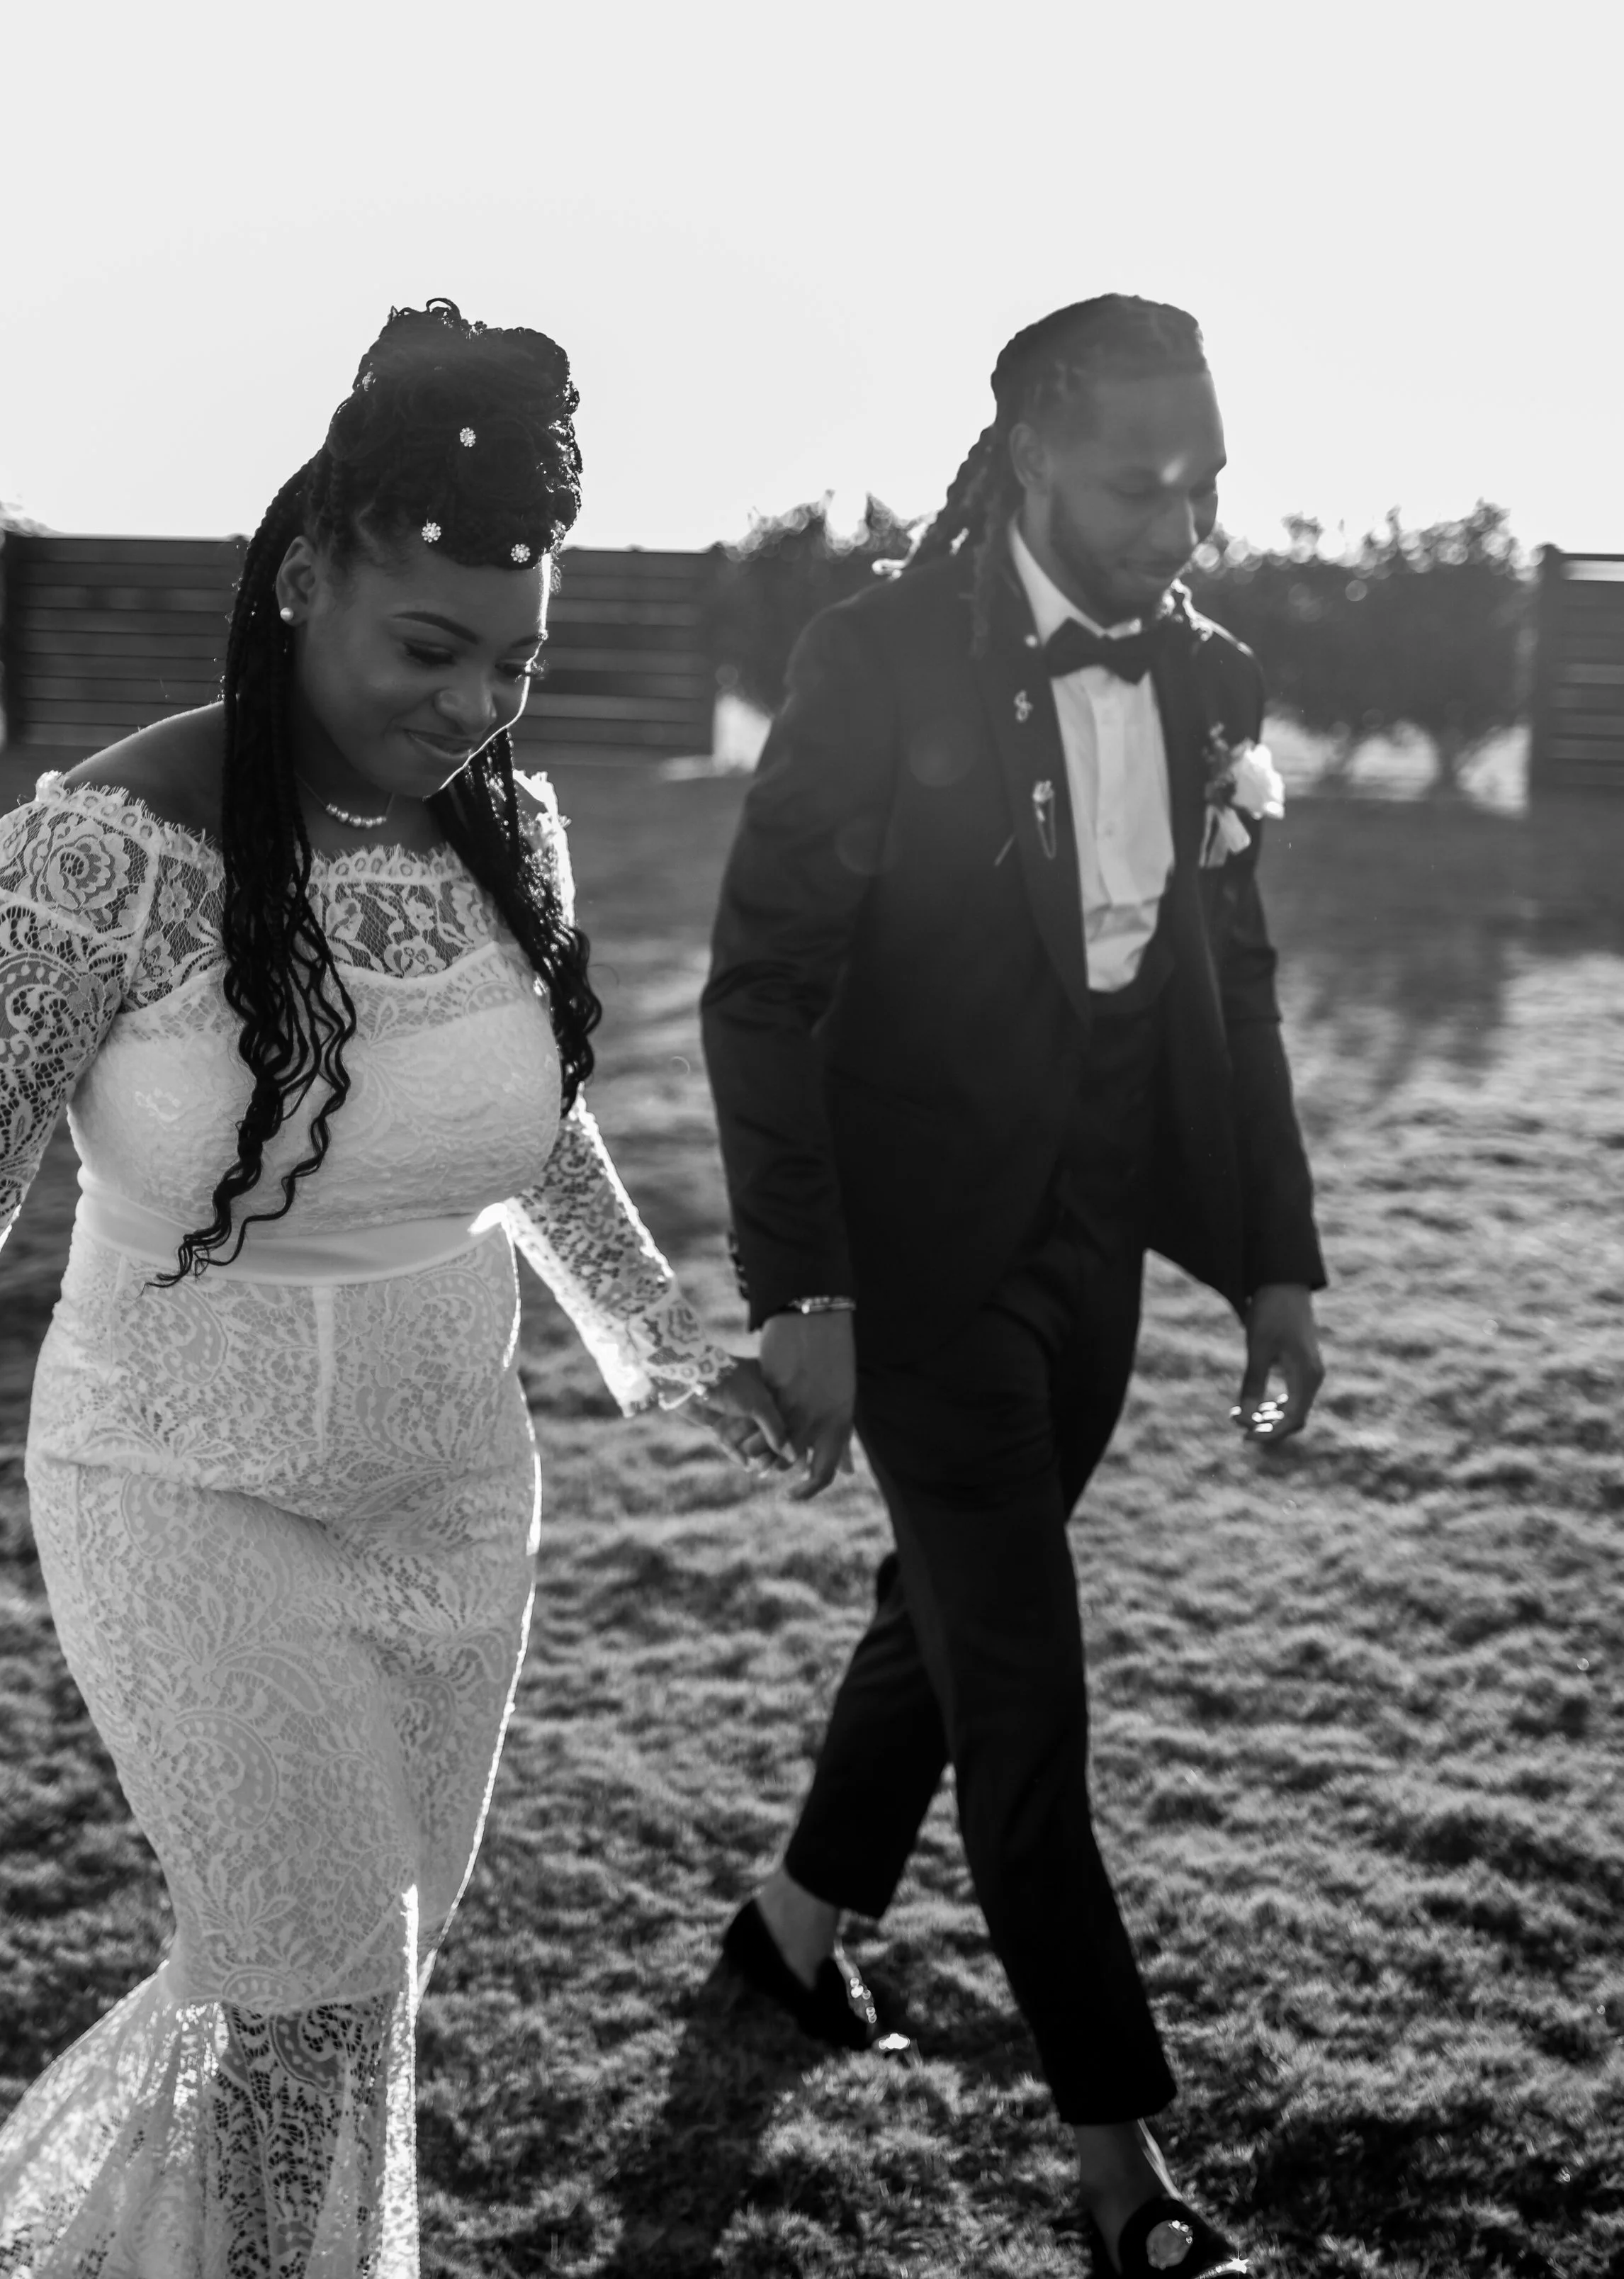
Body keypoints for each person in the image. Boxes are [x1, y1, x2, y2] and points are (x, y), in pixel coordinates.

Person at [0, 298, 788, 2276]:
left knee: (352, 2003)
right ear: (300, 580)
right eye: (429, 648)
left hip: (456, 1492)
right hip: (178, 1484)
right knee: (308, 1984)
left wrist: (658, 1335)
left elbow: (518, 1126)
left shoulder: (503, 825)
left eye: (514, 663)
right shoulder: (102, 855)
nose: (473, 707)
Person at [701, 296, 1326, 2278]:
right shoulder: (875, 657)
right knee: (1027, 1698)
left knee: (950, 1621)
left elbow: (1228, 984)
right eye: (1141, 479)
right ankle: (1122, 2175)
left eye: (1204, 479)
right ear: (1031, 453)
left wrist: (1276, 1268)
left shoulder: (1209, 677)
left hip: (1094, 1254)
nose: (1178, 516)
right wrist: (801, 1289)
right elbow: (764, 982)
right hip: (913, 1266)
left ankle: (792, 1931)